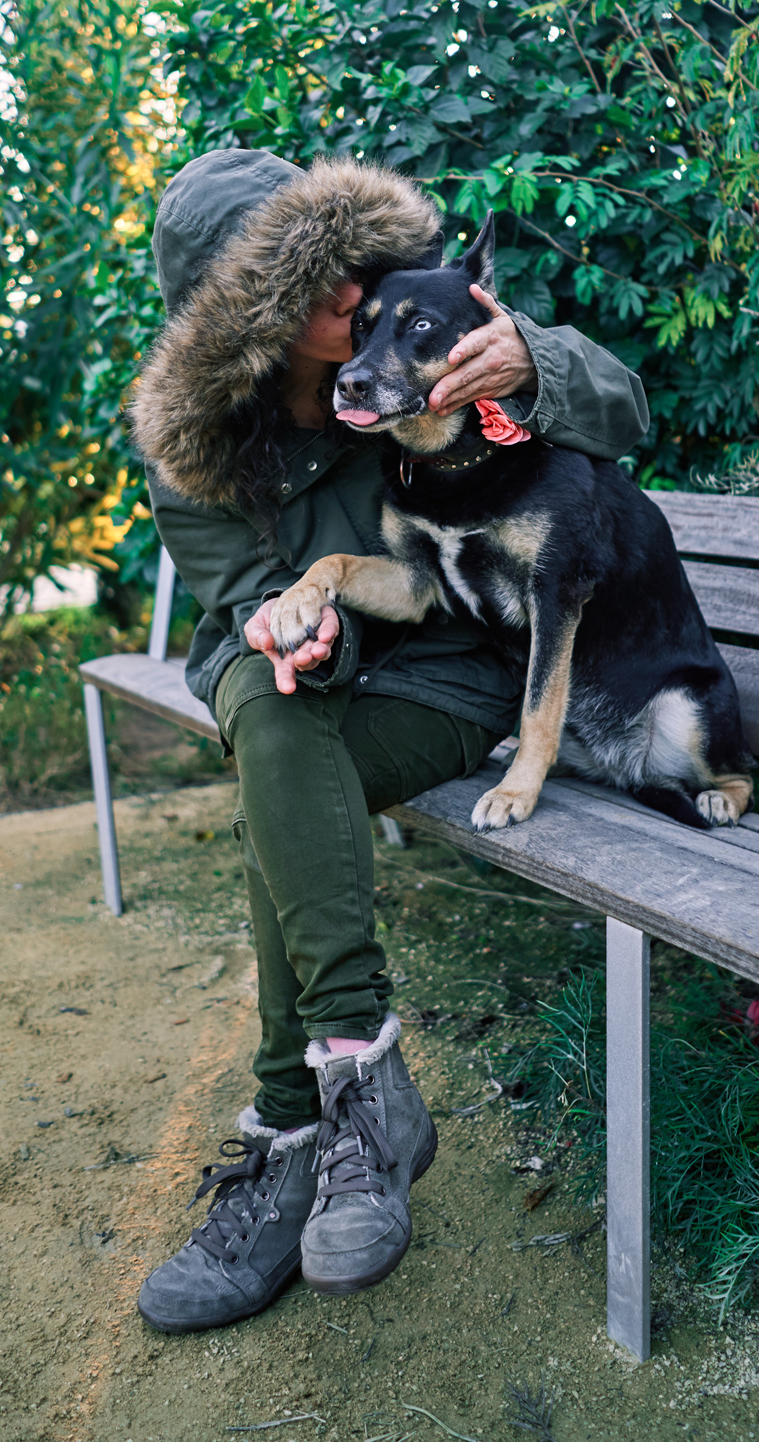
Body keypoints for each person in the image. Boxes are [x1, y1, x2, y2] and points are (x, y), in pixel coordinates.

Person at [130, 149, 649, 1332]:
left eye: (344, 266)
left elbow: (625, 412)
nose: (346, 300)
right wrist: (298, 634)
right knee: (270, 711)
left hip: (456, 683)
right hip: (300, 690)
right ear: (244, 323)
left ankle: (286, 1138)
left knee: (283, 800)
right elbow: (239, 608)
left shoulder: (426, 317)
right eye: (303, 290)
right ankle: (357, 1088)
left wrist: (532, 360)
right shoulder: (201, 448)